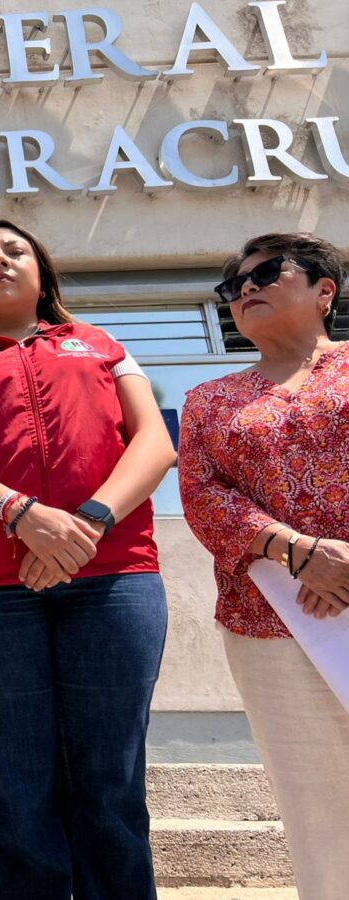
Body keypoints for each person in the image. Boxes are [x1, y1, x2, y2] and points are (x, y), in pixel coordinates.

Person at [0, 220, 176, 900]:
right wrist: (22, 514)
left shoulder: (103, 346)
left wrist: (87, 524)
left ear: (42, 275)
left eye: (14, 251)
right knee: (16, 786)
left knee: (111, 783)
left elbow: (155, 444)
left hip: (112, 577)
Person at [178, 233, 349, 900]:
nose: (246, 288)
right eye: (234, 285)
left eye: (268, 272)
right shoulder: (208, 400)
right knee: (319, 811)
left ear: (325, 291)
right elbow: (202, 494)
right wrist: (299, 554)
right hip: (270, 624)